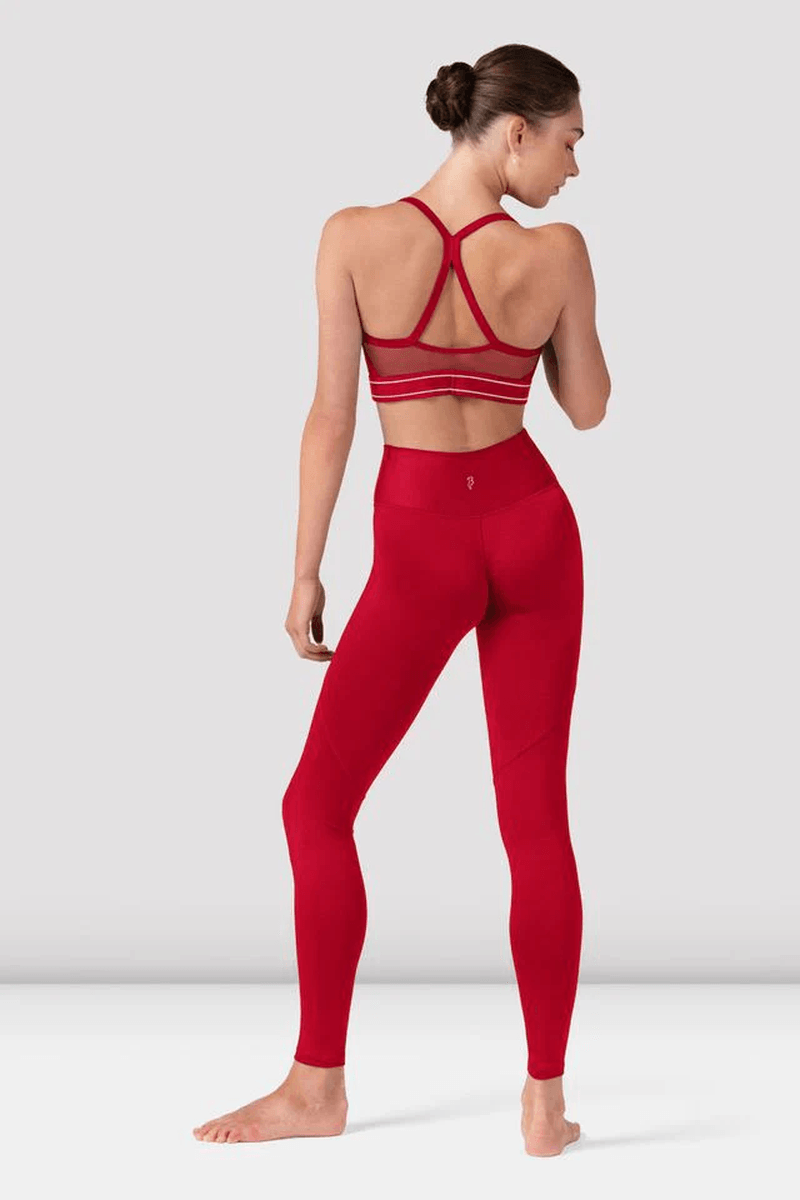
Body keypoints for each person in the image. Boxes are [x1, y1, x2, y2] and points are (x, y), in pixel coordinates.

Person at [193, 41, 610, 1158]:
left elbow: (331, 415)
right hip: (533, 531)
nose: (575, 169)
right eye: (569, 141)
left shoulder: (353, 237)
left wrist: (304, 569)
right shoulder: (558, 253)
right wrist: (542, 318)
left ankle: (316, 1086)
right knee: (535, 820)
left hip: (423, 543)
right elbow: (586, 408)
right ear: (514, 132)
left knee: (316, 808)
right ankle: (543, 1106)